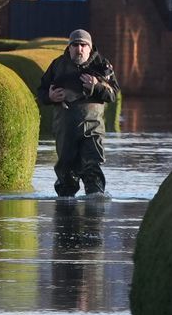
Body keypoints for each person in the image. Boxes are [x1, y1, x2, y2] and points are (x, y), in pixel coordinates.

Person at [36, 29, 120, 197]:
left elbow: (113, 94)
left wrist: (96, 87)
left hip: (93, 126)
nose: (79, 49)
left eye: (83, 45)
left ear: (90, 48)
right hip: (65, 128)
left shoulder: (102, 65)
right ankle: (65, 209)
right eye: (75, 45)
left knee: (92, 165)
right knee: (66, 171)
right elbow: (41, 92)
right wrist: (50, 96)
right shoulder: (58, 65)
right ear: (69, 47)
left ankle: (95, 206)